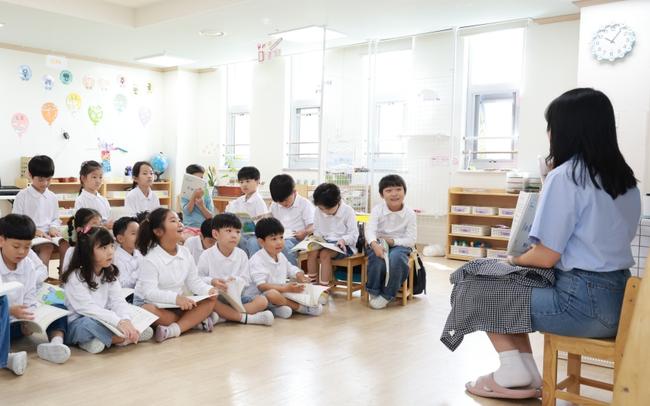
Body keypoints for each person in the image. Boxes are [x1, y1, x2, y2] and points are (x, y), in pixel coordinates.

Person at [463, 88, 641, 399]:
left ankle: (513, 369)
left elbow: (545, 256)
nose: (549, 133)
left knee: (476, 286)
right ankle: (527, 374)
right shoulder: (626, 180)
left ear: (566, 129)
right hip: (620, 301)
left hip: (580, 305)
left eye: (551, 126)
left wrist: (512, 260)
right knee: (510, 288)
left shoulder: (567, 176)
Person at [61, 226, 153, 353]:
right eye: (103, 248)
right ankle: (121, 339)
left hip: (104, 318)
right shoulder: (75, 276)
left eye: (111, 246)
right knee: (87, 325)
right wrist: (118, 322)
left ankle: (101, 340)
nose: (110, 252)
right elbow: (87, 308)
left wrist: (125, 320)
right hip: (80, 321)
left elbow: (118, 301)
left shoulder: (109, 273)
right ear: (88, 251)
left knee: (134, 316)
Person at [134, 208, 218, 342]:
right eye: (173, 221)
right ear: (158, 231)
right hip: (151, 303)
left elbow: (194, 282)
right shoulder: (150, 258)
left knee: (210, 300)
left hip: (177, 305)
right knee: (148, 310)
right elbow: (149, 293)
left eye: (179, 220)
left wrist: (208, 290)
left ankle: (173, 330)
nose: (180, 224)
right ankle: (193, 322)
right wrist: (176, 299)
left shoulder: (185, 252)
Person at [0, 214, 70, 364]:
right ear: (1, 241)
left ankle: (56, 343)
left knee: (59, 307)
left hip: (19, 323)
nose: (22, 252)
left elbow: (29, 296)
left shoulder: (28, 265)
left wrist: (27, 320)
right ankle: (8, 359)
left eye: (27, 247)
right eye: (16, 247)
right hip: (4, 320)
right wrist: (9, 311)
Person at [197, 213, 274, 326]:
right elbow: (198, 279)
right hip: (215, 298)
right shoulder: (206, 255)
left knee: (262, 301)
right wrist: (212, 281)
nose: (234, 235)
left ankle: (224, 317)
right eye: (229, 231)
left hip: (237, 298)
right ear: (215, 234)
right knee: (209, 302)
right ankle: (247, 318)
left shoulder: (241, 254)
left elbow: (246, 280)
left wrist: (235, 281)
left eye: (238, 232)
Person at [249, 218, 322, 318]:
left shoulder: (280, 255)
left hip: (280, 291)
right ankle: (301, 308)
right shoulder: (257, 260)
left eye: (281, 237)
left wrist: (300, 275)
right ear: (261, 242)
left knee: (299, 288)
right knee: (272, 294)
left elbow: (291, 268)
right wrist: (285, 288)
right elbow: (262, 286)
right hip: (259, 297)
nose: (279, 242)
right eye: (274, 239)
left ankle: (277, 309)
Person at [365, 174, 416, 309]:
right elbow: (370, 230)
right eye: (389, 190)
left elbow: (411, 240)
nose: (394, 194)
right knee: (377, 258)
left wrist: (392, 241)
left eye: (398, 189)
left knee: (396, 258)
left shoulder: (410, 213)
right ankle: (374, 291)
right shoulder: (377, 209)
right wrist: (374, 244)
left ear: (404, 191)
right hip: (378, 242)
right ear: (382, 195)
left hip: (400, 244)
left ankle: (387, 295)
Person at [12, 155, 68, 266]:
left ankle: (64, 275)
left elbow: (55, 219)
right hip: (30, 235)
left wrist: (53, 227)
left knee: (66, 245)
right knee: (46, 247)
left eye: (49, 179)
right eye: (41, 179)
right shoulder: (22, 196)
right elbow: (16, 221)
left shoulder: (52, 197)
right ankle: (42, 276)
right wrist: (35, 231)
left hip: (50, 235)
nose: (45, 183)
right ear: (30, 175)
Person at [306, 183, 358, 285]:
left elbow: (353, 235)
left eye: (328, 209)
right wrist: (316, 239)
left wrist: (344, 240)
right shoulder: (318, 211)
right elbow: (317, 230)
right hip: (324, 242)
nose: (324, 212)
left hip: (343, 245)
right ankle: (312, 284)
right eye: (321, 209)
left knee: (324, 254)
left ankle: (323, 288)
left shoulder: (348, 211)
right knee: (311, 251)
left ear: (337, 202)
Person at [268, 174, 314, 266]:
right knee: (256, 242)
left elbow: (313, 226)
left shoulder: (304, 204)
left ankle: (293, 273)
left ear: (294, 192)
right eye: (279, 202)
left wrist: (305, 232)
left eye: (286, 200)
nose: (283, 204)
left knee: (284, 245)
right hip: (279, 237)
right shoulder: (274, 205)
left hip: (298, 239)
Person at [225, 166, 269, 257]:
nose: (244, 185)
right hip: (240, 233)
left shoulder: (259, 202)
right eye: (241, 182)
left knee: (252, 242)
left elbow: (263, 225)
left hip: (255, 235)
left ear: (257, 181)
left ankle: (253, 264)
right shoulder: (239, 200)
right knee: (231, 239)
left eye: (248, 181)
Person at [74, 160, 112, 228]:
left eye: (100, 177)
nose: (98, 181)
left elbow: (109, 219)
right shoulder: (80, 201)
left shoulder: (104, 200)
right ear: (83, 178)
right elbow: (81, 225)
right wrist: (103, 225)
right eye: (94, 177)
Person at [181, 164, 214, 231]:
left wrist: (201, 206)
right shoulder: (185, 192)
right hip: (189, 227)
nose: (200, 181)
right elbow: (187, 212)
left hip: (204, 229)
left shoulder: (206, 192)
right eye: (197, 179)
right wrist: (193, 196)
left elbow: (210, 217)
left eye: (201, 178)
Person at [112, 216, 142, 290]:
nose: (139, 237)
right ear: (120, 238)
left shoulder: (138, 252)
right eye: (133, 233)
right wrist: (141, 270)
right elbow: (123, 284)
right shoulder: (116, 258)